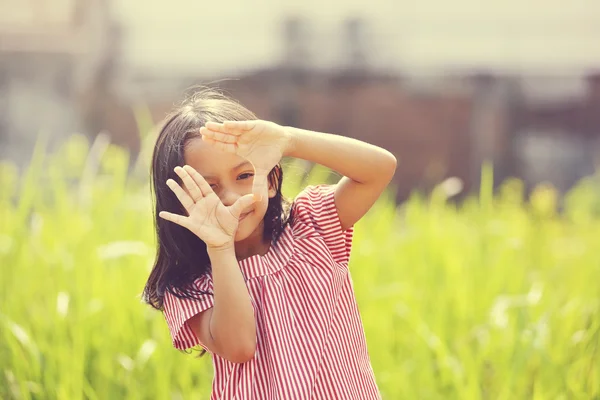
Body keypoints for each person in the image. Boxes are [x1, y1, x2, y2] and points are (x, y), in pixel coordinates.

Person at [142, 88, 397, 399]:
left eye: (244, 175)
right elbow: (239, 347)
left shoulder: (313, 226)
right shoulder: (189, 285)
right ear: (180, 203)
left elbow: (380, 169)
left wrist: (289, 140)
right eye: (208, 188)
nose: (232, 198)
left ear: (273, 180)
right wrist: (220, 248)